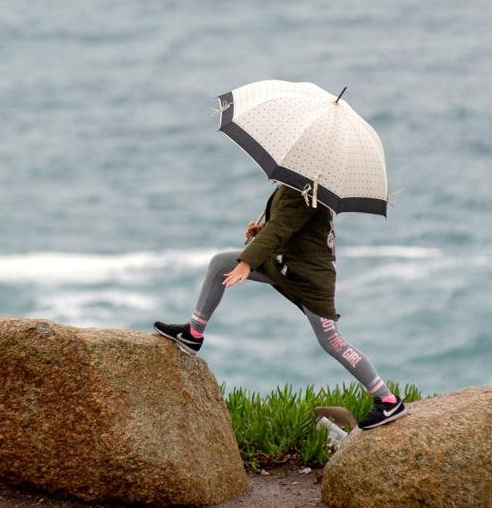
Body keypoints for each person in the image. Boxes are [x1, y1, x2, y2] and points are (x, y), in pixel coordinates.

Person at [153, 182, 407, 429]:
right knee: (221, 262)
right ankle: (193, 334)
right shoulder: (295, 186)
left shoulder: (305, 192)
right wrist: (259, 233)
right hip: (285, 264)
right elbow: (286, 230)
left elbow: (281, 230)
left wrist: (247, 262)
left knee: (332, 342)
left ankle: (387, 400)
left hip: (309, 279)